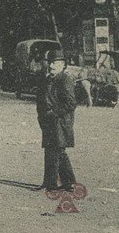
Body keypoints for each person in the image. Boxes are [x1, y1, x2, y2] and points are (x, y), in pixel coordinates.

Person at [35, 49, 78, 191]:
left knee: (56, 151)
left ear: (63, 65)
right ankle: (65, 183)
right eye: (50, 62)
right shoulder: (48, 79)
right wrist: (41, 116)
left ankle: (54, 184)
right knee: (53, 151)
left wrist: (53, 113)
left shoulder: (64, 79)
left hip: (60, 122)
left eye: (55, 63)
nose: (51, 66)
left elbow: (71, 103)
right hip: (48, 121)